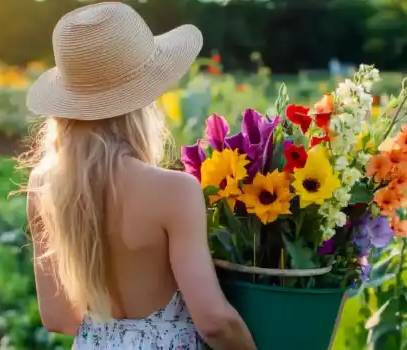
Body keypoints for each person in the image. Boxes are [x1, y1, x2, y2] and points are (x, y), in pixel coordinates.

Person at [21, 2, 256, 349]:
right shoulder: (174, 191)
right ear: (144, 97)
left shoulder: (45, 186)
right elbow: (215, 322)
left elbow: (57, 317)